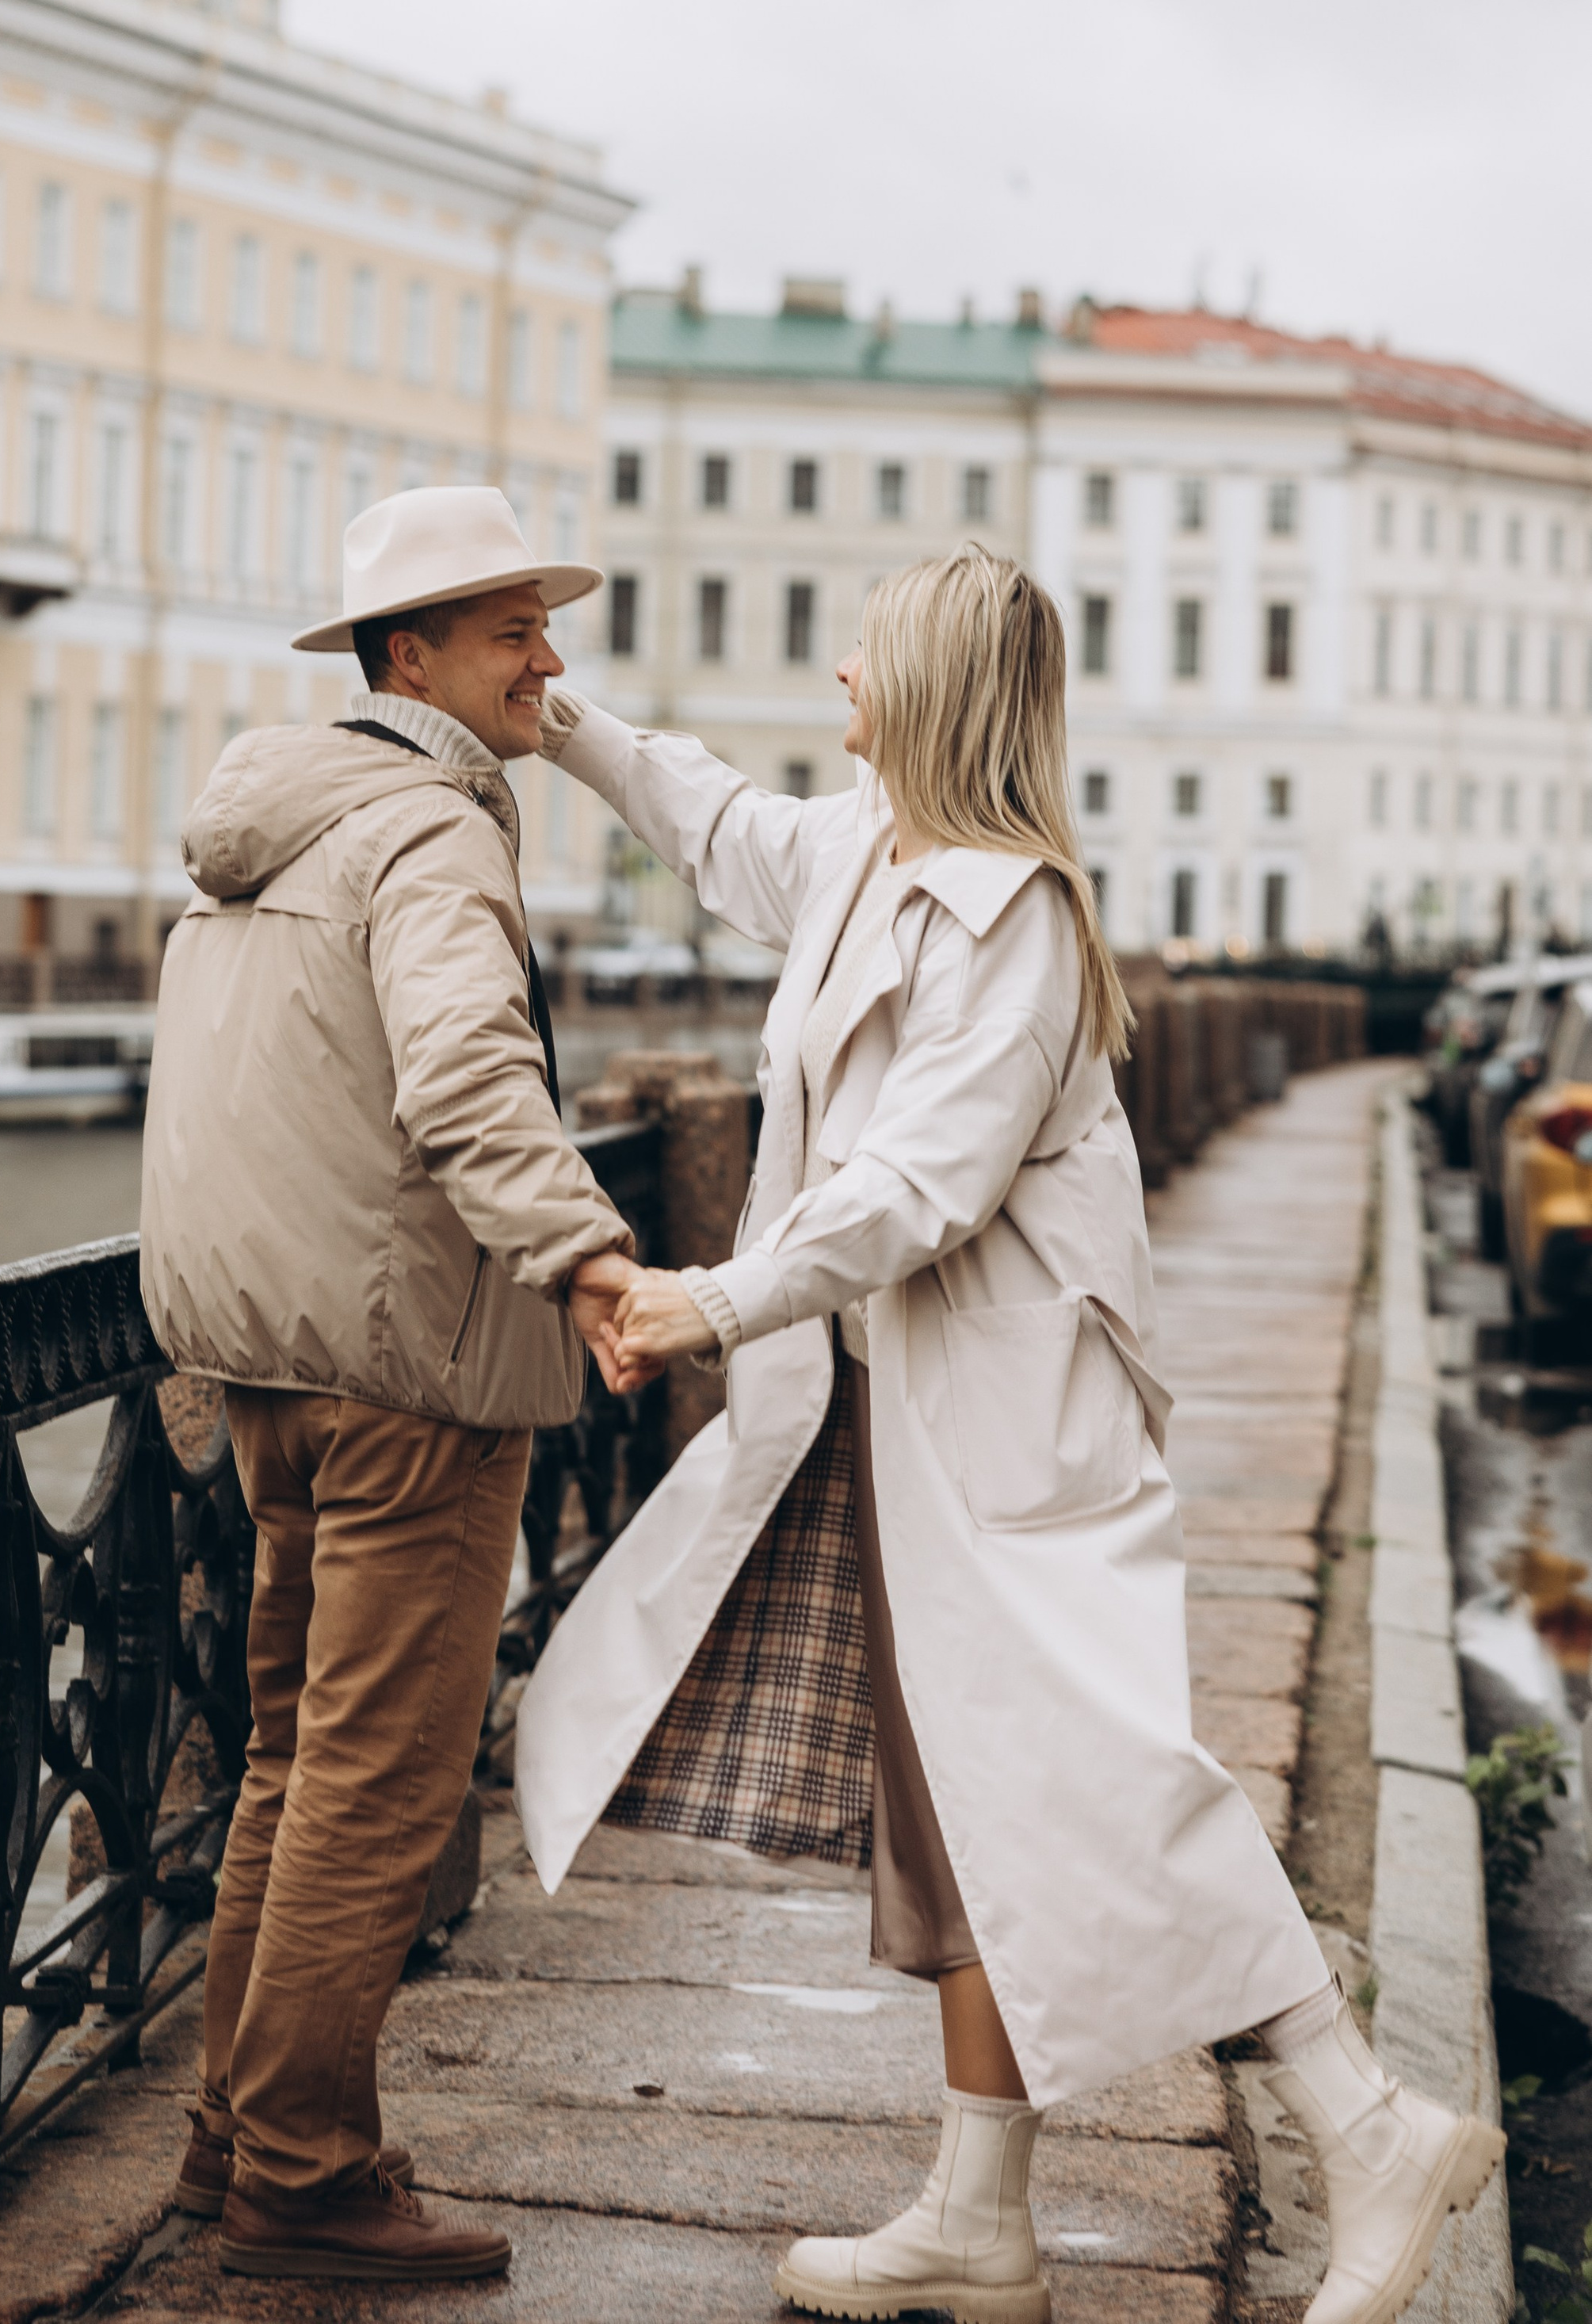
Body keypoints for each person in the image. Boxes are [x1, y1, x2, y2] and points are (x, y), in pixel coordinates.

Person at [513, 545, 1502, 2324]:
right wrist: (557, 714)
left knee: (1107, 1797)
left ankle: (1368, 2131)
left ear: (935, 689)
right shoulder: (859, 853)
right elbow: (715, 815)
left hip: (1009, 1431)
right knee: (965, 1811)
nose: (835, 675)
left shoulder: (1015, 915)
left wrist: (708, 1299)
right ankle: (977, 2221)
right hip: (909, 1422)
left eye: (865, 653)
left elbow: (923, 1183)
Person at [141, 485, 639, 2287]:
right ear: (408, 656)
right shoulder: (427, 832)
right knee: (375, 1783)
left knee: (290, 1762)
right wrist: (590, 1254)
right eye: (515, 631)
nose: (548, 661)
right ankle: (305, 2168)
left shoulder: (273, 831)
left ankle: (232, 2132)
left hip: (269, 1367)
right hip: (412, 1377)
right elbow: (465, 1082)